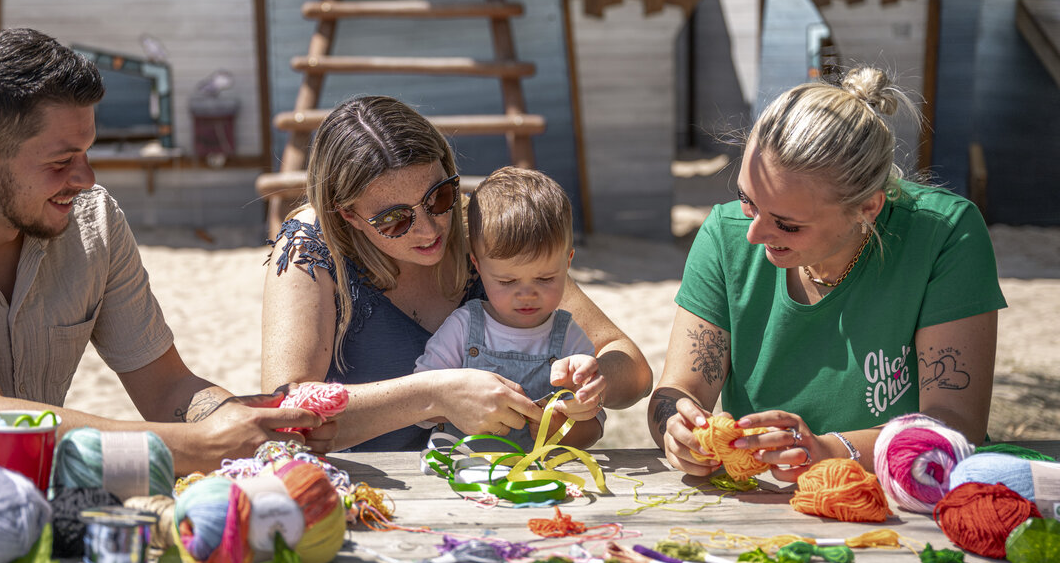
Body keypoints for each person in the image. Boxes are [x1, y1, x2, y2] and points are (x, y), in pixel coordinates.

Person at [0, 28, 332, 471]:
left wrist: (238, 422)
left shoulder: (94, 222)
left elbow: (165, 387)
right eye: (61, 161)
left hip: (35, 497)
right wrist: (196, 444)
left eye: (89, 152)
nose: (86, 178)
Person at [648, 66, 1005, 480]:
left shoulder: (943, 233)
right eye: (747, 200)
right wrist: (676, 428)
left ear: (868, 208)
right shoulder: (724, 234)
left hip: (905, 494)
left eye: (787, 224)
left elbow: (957, 423)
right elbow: (680, 389)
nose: (753, 234)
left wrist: (829, 451)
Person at [262, 95, 652, 451]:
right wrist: (433, 395)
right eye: (395, 219)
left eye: (440, 197)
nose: (430, 229)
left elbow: (631, 367)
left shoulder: (481, 231)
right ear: (347, 214)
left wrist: (592, 384)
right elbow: (285, 413)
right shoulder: (312, 246)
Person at [412, 167, 606, 450]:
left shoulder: (569, 338)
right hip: (461, 476)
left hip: (535, 480)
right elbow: (421, 401)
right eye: (507, 281)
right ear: (477, 266)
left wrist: (568, 420)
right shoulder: (465, 327)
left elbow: (593, 430)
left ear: (568, 263)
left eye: (545, 278)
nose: (526, 294)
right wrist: (455, 402)